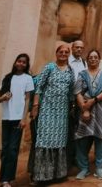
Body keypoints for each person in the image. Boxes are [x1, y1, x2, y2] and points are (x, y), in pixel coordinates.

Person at [30, 45, 75, 184]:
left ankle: (57, 174)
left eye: (66, 52)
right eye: (61, 52)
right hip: (47, 111)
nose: (63, 54)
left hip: (62, 112)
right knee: (44, 141)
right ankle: (41, 176)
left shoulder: (70, 71)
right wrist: (35, 105)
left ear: (69, 55)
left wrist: (72, 106)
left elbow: (71, 90)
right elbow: (39, 87)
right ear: (56, 53)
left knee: (59, 142)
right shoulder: (49, 67)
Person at [74, 49, 102, 180]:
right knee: (82, 138)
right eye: (91, 57)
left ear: (99, 59)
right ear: (87, 59)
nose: (93, 59)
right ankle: (83, 168)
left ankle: (99, 168)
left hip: (101, 110)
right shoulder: (82, 74)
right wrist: (84, 109)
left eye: (96, 57)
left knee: (101, 138)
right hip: (85, 110)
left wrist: (93, 100)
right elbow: (77, 92)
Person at [0, 53, 34, 187]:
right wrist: (3, 98)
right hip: (6, 118)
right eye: (19, 61)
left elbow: (28, 99)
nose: (21, 64)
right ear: (15, 62)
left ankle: (8, 179)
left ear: (26, 65)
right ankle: (2, 180)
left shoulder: (28, 79)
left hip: (18, 119)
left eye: (24, 62)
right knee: (5, 149)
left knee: (13, 149)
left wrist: (24, 119)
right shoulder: (7, 78)